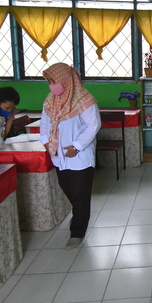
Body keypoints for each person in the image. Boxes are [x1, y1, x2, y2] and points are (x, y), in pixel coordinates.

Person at [39, 63, 101, 250]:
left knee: (81, 194)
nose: (51, 85)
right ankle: (79, 214)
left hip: (79, 156)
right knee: (66, 187)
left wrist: (77, 146)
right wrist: (46, 142)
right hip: (58, 154)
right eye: (49, 81)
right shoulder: (50, 101)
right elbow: (44, 124)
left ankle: (77, 232)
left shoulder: (85, 100)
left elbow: (93, 126)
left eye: (54, 81)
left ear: (66, 80)